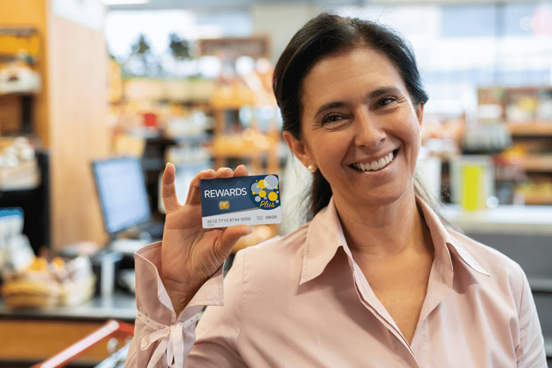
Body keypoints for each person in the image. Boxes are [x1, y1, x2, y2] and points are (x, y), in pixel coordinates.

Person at [126, 13, 547, 368]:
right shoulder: (255, 284)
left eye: (385, 102)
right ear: (300, 148)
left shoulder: (502, 284)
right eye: (334, 118)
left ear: (418, 113)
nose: (369, 135)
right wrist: (176, 296)